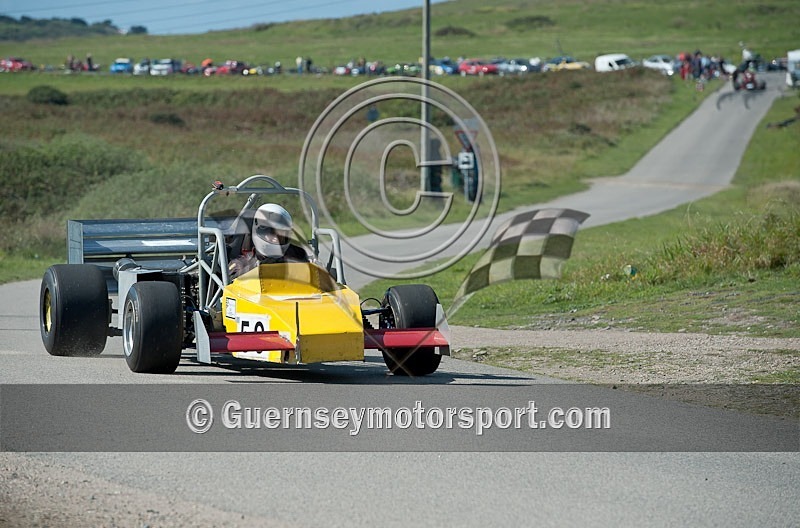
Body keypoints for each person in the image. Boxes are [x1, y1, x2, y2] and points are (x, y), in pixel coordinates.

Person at [228, 204, 309, 278]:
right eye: (272, 233)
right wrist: (259, 267)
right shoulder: (240, 264)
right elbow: (229, 286)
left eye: (281, 236)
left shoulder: (298, 255)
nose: (276, 239)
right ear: (260, 232)